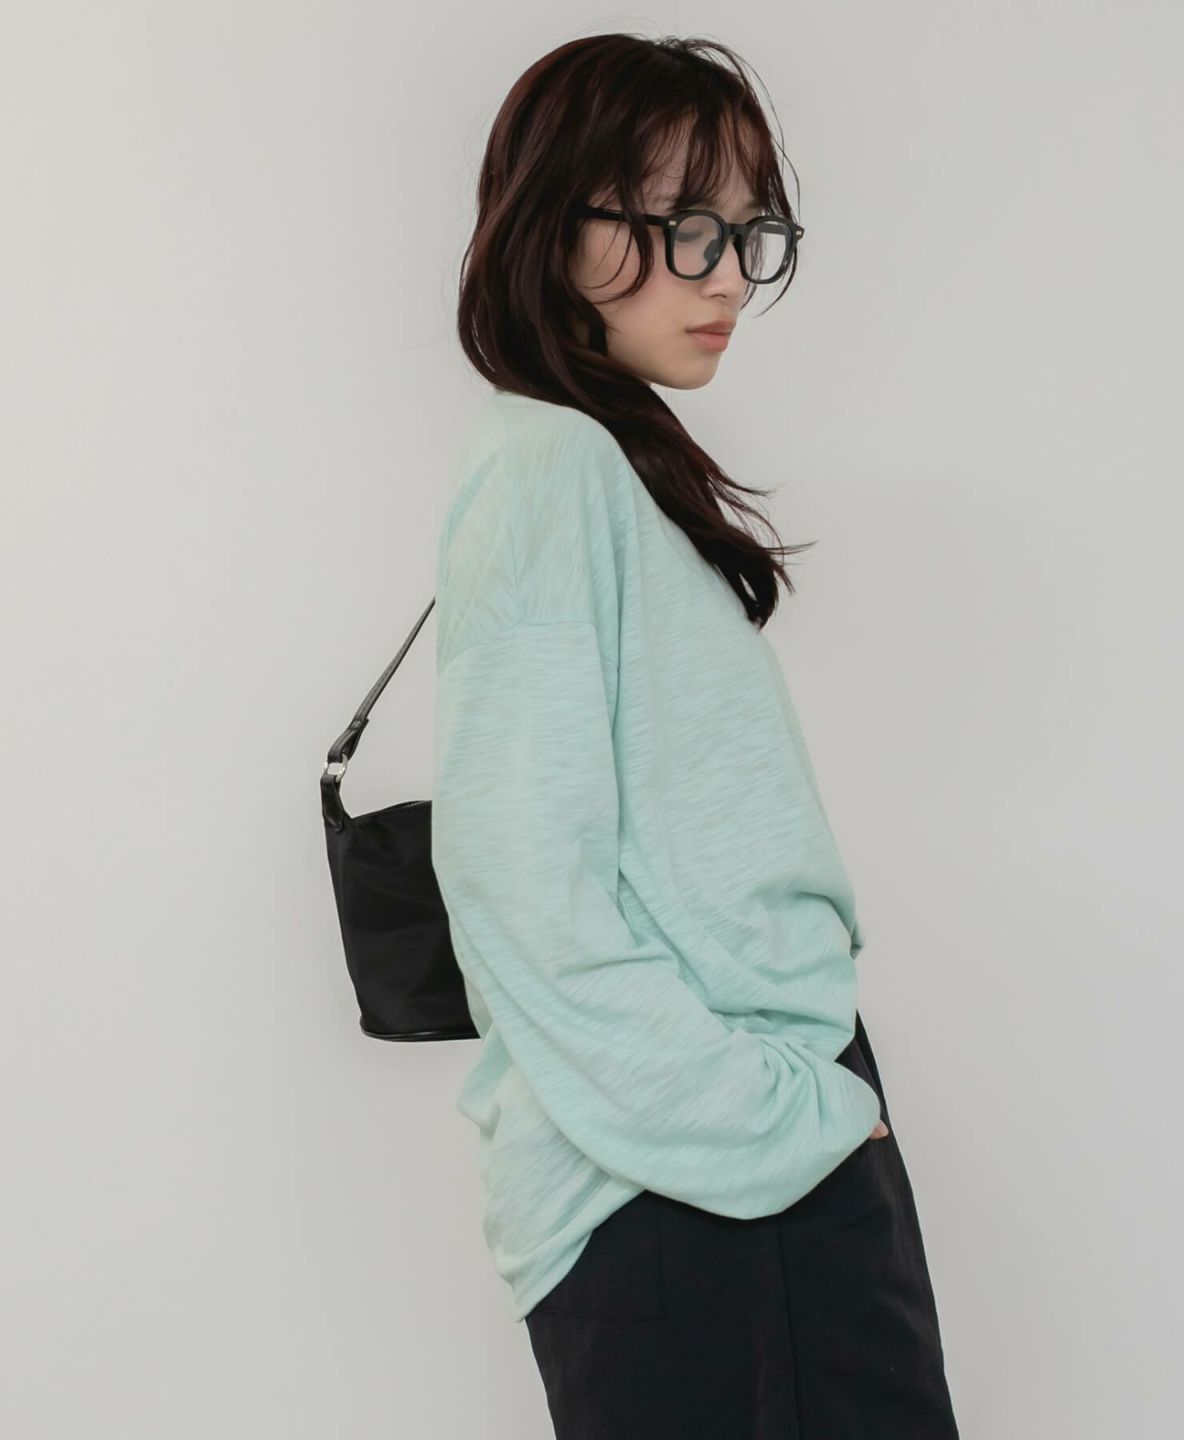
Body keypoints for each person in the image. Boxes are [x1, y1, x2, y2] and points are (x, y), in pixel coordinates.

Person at [430, 31, 960, 1439]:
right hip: (700, 1185)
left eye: (747, 230)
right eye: (683, 224)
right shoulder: (548, 464)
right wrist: (777, 1120)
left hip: (727, 1168)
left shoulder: (605, 463)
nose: (726, 274)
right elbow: (518, 889)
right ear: (556, 227)